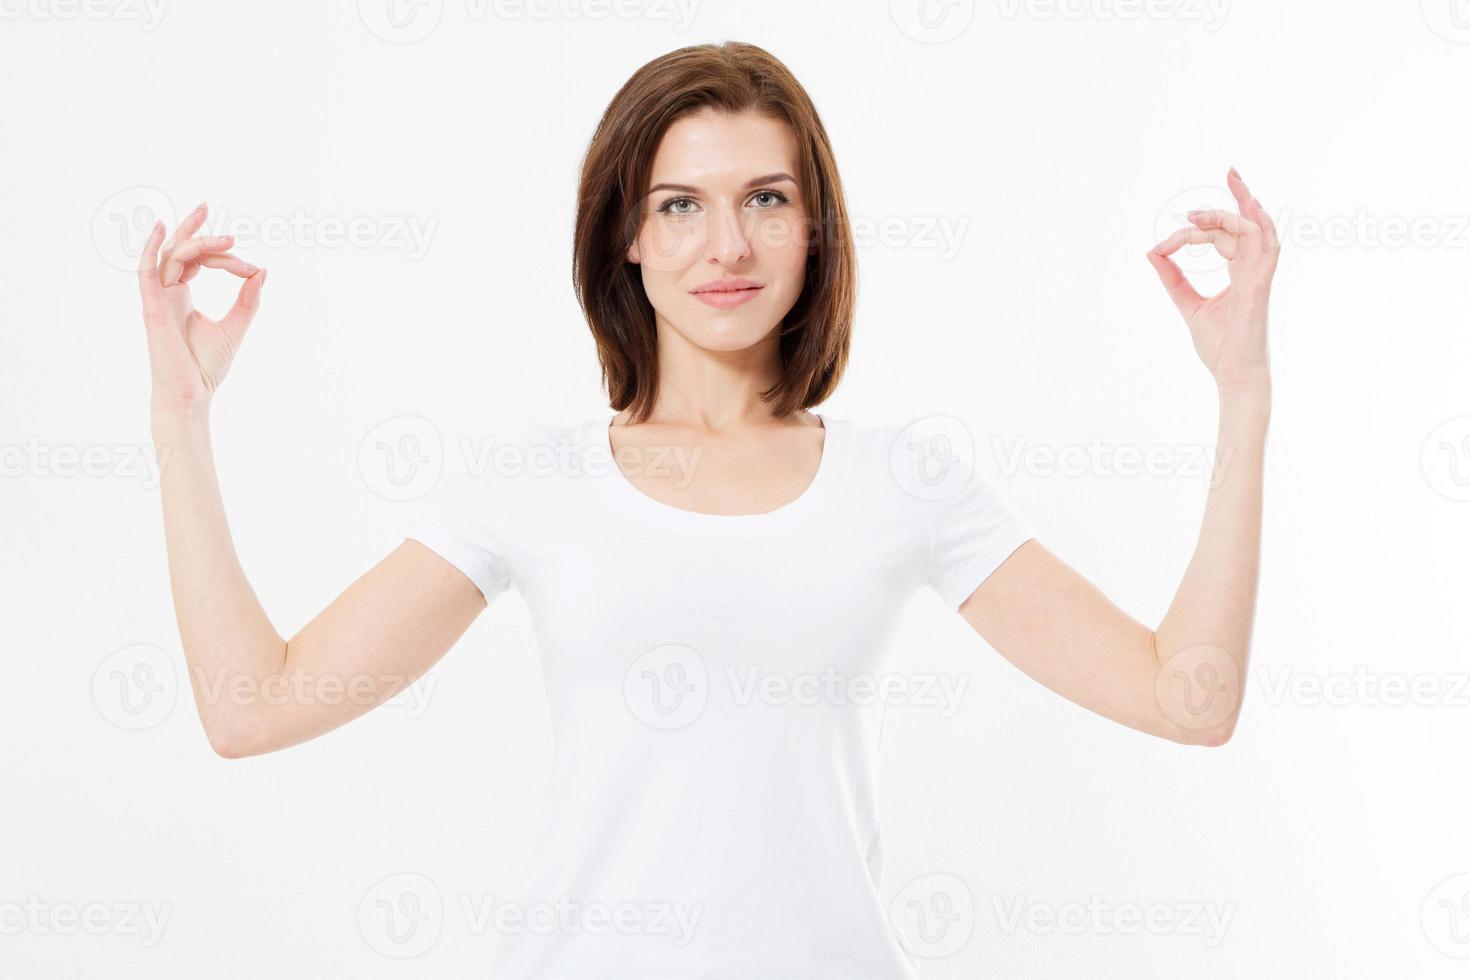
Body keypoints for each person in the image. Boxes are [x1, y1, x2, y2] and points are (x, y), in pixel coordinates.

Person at [137, 40, 1277, 980]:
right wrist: (180, 418)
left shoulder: (906, 480)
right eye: (679, 205)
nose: (726, 245)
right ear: (626, 237)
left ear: (813, 225)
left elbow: (1188, 698)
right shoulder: (533, 481)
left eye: (764, 199)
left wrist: (1242, 394)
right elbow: (254, 708)